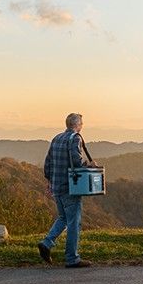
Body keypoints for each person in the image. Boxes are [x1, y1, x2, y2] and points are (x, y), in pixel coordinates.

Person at [39, 113, 97, 268]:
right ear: (77, 125)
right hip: (70, 187)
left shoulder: (56, 138)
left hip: (56, 186)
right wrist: (89, 165)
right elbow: (77, 162)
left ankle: (46, 243)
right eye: (82, 124)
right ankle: (72, 258)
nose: (82, 126)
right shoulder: (76, 138)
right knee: (74, 222)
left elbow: (48, 163)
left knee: (63, 218)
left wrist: (50, 181)